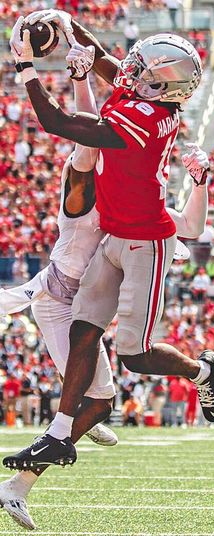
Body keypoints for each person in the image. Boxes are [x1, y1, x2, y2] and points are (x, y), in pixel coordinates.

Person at [4, 10, 214, 473]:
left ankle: (202, 371)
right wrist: (68, 26)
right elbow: (108, 62)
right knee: (84, 330)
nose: (131, 73)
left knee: (134, 356)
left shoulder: (144, 122)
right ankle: (58, 437)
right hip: (116, 233)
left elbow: (56, 122)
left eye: (143, 72)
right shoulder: (150, 98)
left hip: (146, 242)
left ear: (161, 88)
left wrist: (25, 68)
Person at [0, 64, 117, 531]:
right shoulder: (82, 188)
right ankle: (22, 482)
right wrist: (81, 78)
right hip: (58, 301)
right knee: (96, 401)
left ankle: (65, 432)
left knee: (101, 401)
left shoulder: (119, 192)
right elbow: (86, 134)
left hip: (79, 302)